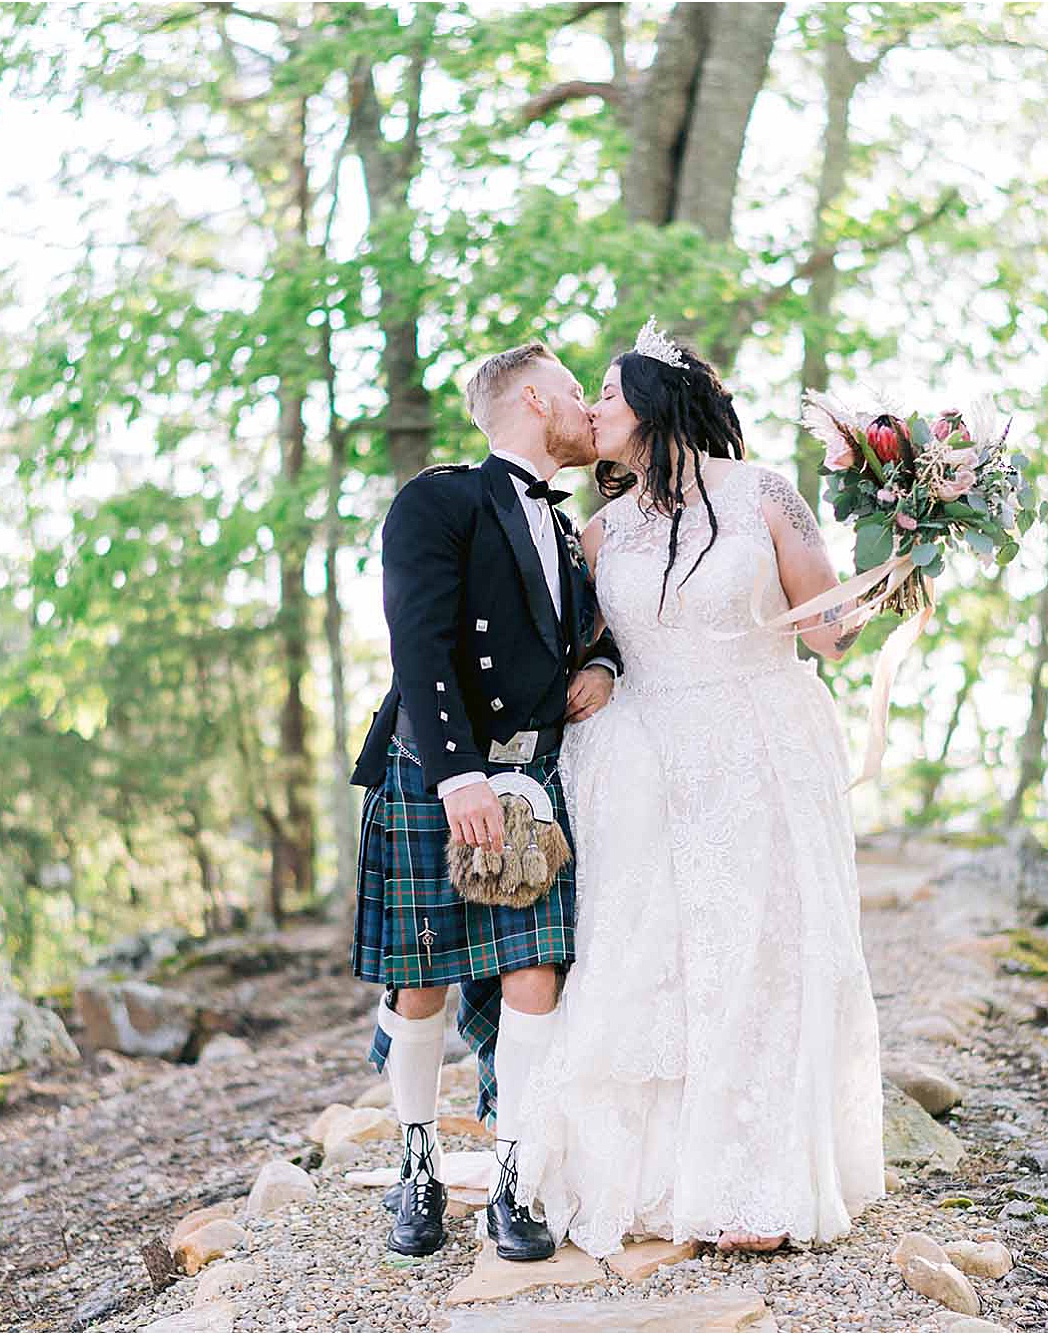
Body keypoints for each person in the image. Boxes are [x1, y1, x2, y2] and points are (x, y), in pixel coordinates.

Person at [514, 320, 886, 1257]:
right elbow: (579, 641)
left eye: (605, 392)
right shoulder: (597, 532)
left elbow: (831, 631)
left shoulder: (765, 495)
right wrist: (592, 673)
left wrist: (905, 551)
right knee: (660, 963)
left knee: (763, 950)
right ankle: (662, 1173)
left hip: (763, 744)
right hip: (646, 761)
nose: (592, 409)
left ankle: (755, 1182)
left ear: (651, 404)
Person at [349, 340, 620, 1259]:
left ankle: (514, 1180)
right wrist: (455, 773)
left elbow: (590, 629)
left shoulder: (569, 522)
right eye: (580, 395)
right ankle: (416, 1169)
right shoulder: (441, 498)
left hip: (535, 774)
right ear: (536, 400)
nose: (591, 412)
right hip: (443, 767)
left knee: (535, 973)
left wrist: (605, 666)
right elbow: (417, 643)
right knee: (420, 978)